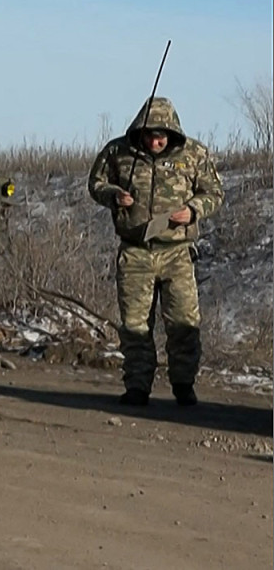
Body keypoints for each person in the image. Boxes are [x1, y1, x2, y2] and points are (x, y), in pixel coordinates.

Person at [88, 97, 223, 407]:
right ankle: (137, 387)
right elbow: (95, 183)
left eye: (162, 134)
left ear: (172, 132)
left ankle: (183, 384)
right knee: (135, 326)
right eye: (150, 134)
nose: (155, 140)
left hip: (177, 252)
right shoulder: (117, 152)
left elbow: (214, 193)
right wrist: (112, 195)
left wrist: (192, 210)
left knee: (183, 323)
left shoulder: (194, 155)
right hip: (135, 252)